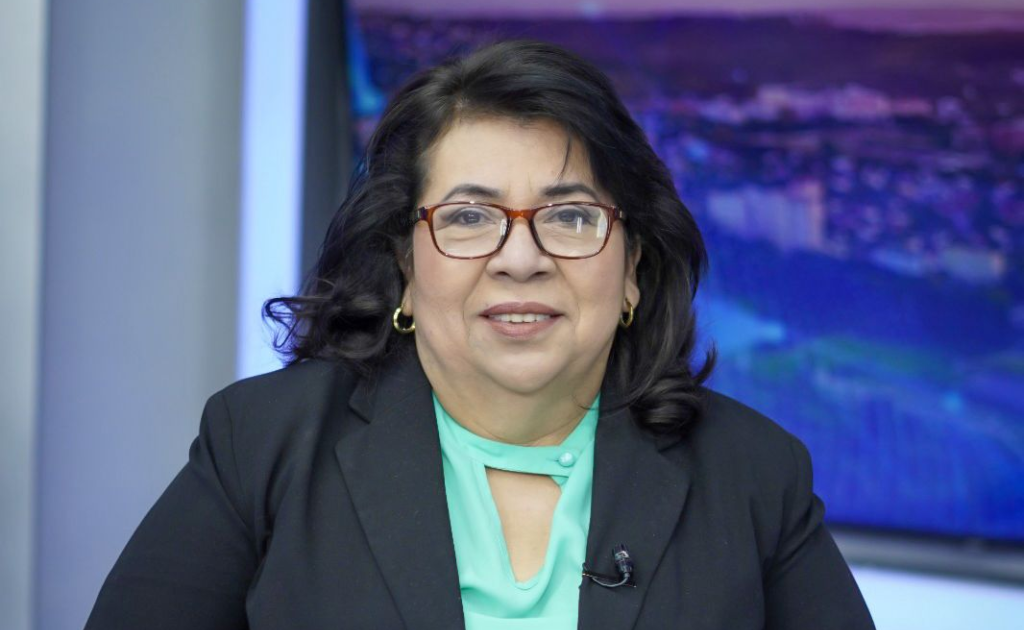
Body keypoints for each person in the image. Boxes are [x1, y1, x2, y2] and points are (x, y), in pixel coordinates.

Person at [86, 39, 875, 629]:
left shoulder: (753, 474)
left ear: (633, 267)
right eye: (468, 217)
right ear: (405, 263)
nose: (520, 258)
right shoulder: (263, 445)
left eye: (571, 217)